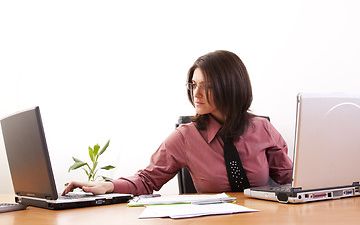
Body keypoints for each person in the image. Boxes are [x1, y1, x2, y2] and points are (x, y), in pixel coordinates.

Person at [62, 50, 293, 196]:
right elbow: (147, 179)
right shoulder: (186, 137)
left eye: (207, 86)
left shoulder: (262, 129)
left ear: (231, 87)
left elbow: (290, 181)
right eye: (194, 84)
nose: (197, 93)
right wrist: (108, 185)